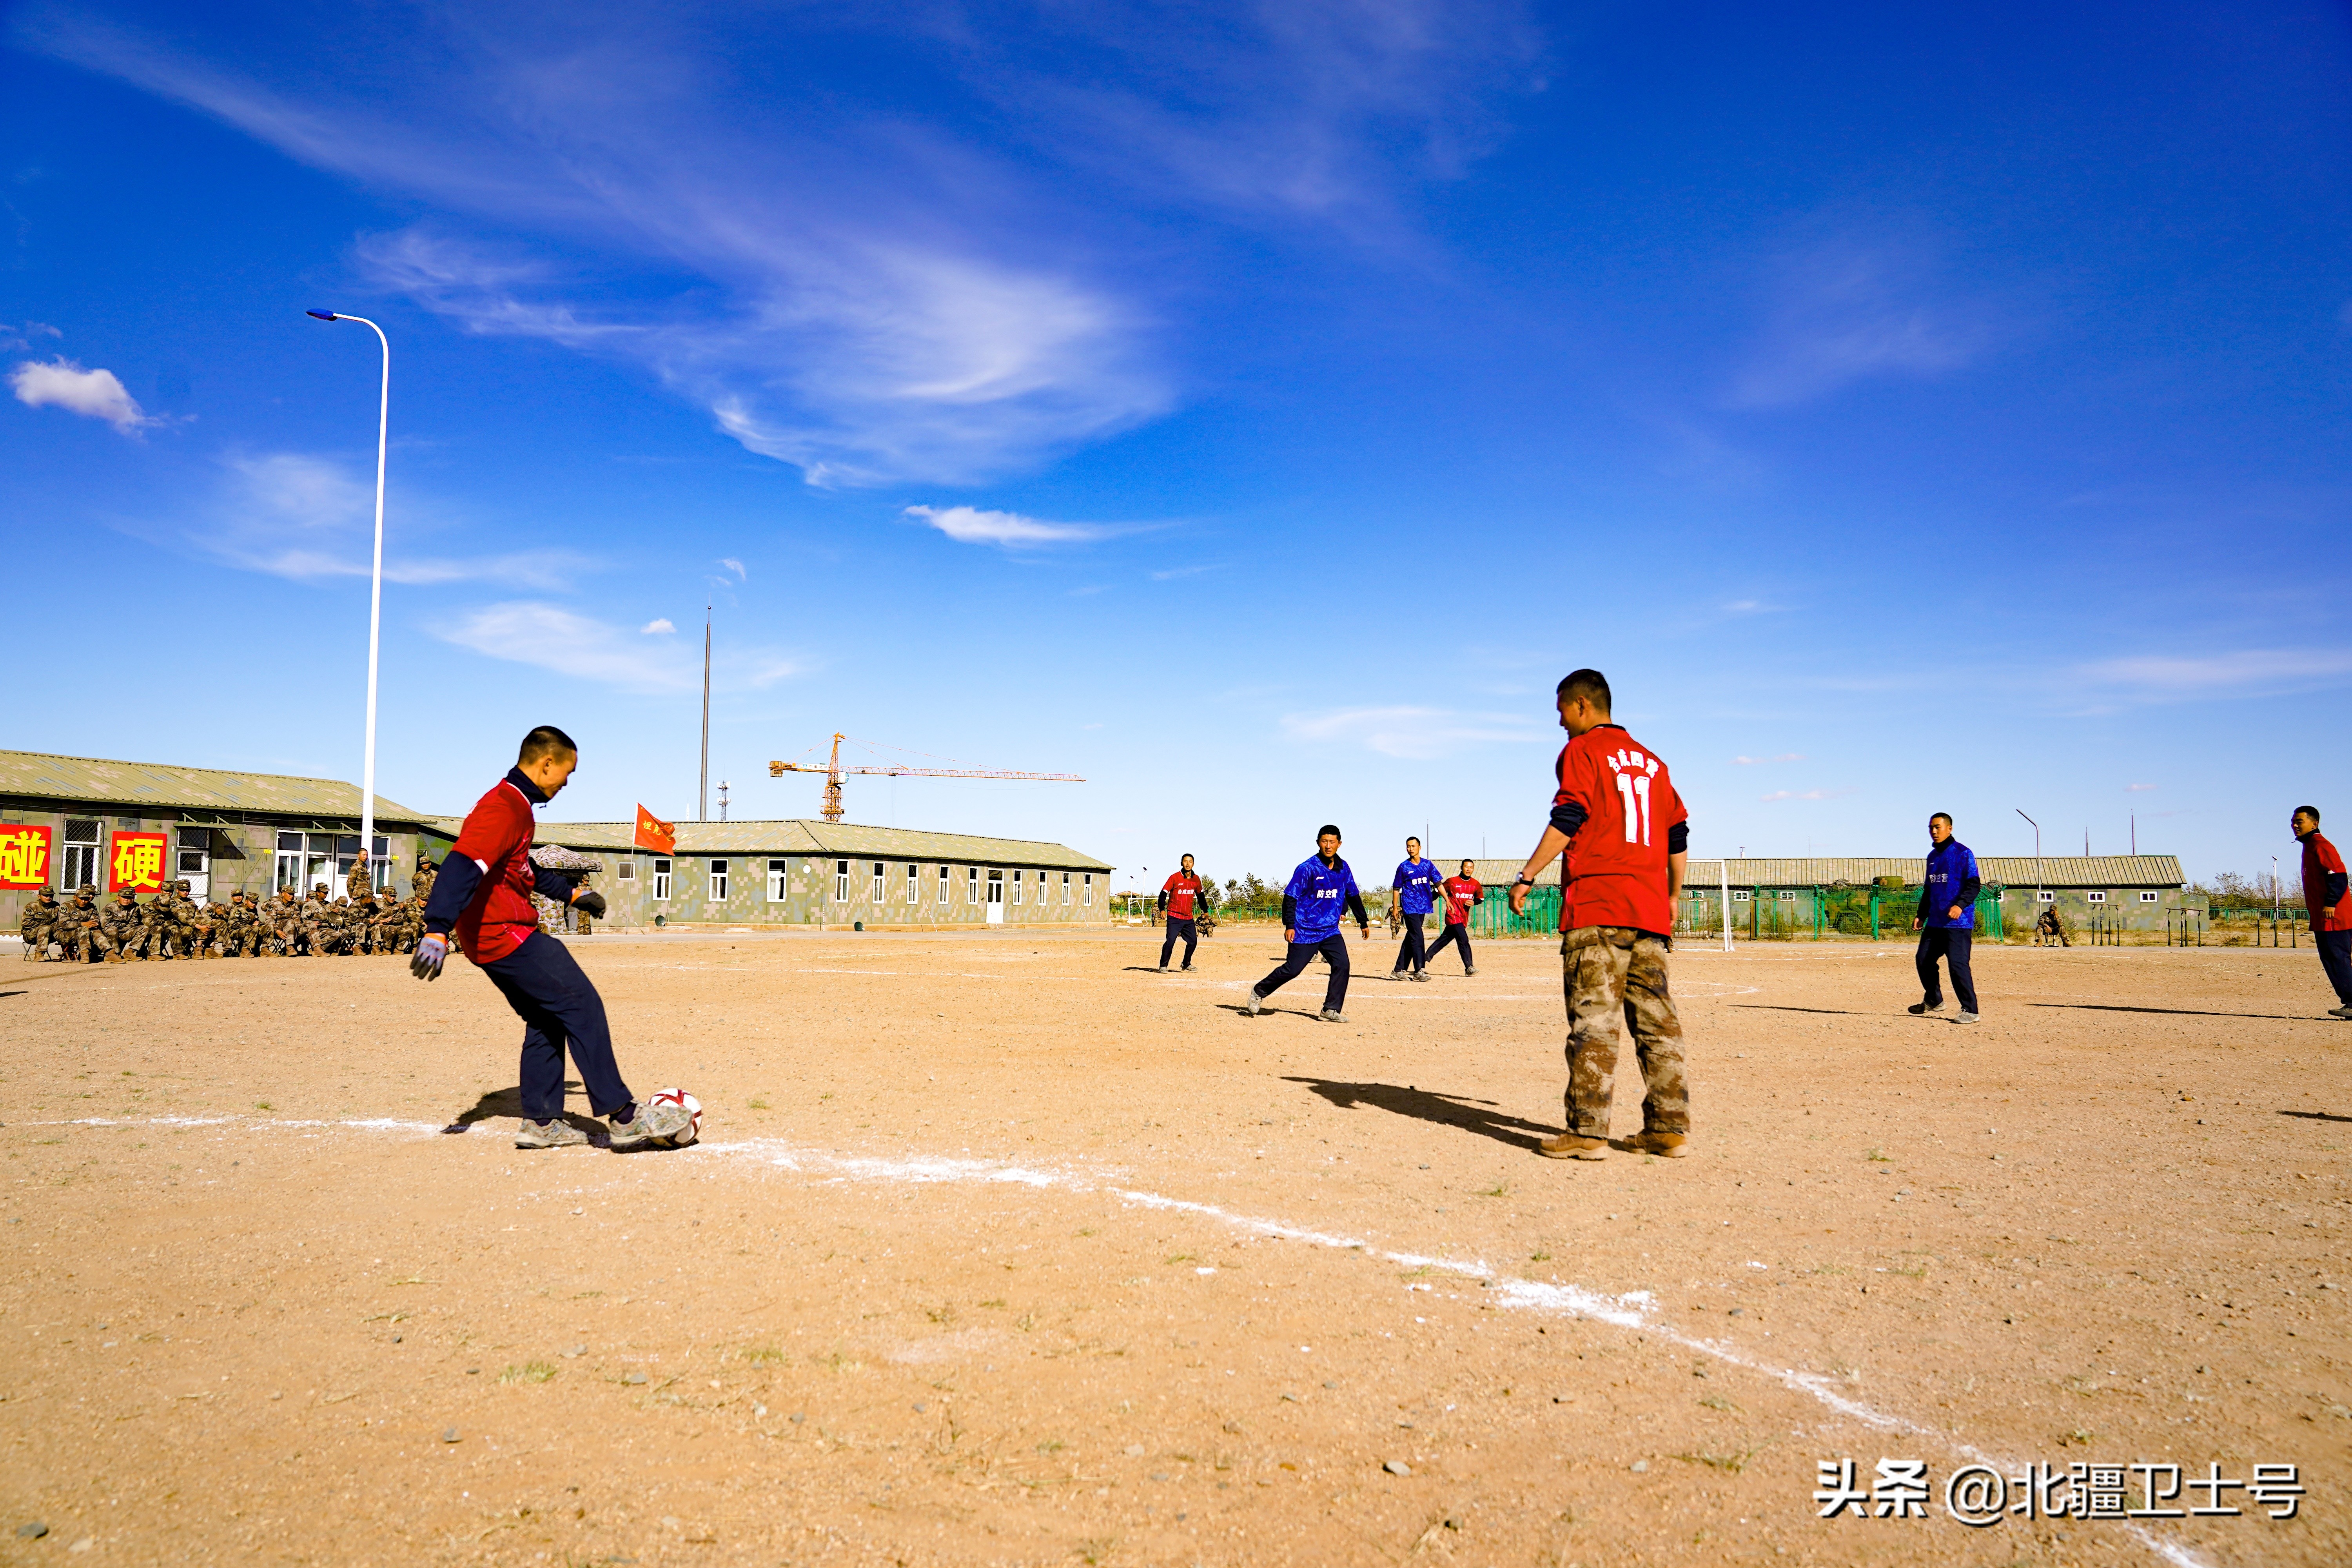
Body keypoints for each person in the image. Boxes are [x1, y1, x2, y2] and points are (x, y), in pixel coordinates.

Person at [414, 725, 692, 1152]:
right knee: (581, 1003)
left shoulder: (516, 806)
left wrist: (574, 894)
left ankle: (542, 1123)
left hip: (494, 935)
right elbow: (463, 864)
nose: (567, 782)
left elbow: (521, 868)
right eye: (567, 772)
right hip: (503, 933)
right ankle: (624, 1115)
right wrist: (437, 926)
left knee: (547, 1017)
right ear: (546, 763)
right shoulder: (502, 807)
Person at [1508, 669, 1691, 1160]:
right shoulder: (1654, 764)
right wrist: (1673, 896)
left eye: (1562, 712)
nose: (1561, 724)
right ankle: (1669, 1127)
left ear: (1583, 705)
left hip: (1599, 905)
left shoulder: (1583, 751)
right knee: (1658, 1023)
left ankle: (1588, 1130)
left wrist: (1527, 875)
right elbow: (1678, 836)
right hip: (1651, 909)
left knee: (1594, 1019)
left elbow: (1570, 816)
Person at [1242, 825, 1370, 1023]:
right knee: (1293, 969)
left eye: (1332, 842)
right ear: (1318, 842)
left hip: (1330, 931)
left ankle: (1330, 1009)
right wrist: (1290, 925)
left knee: (1342, 965)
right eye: (1324, 841)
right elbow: (1290, 897)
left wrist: (1363, 921)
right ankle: (1259, 991)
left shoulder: (1343, 869)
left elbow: (1352, 894)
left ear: (1340, 844)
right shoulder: (1307, 868)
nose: (1328, 846)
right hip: (1304, 930)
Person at [1910, 813, 1980, 1024]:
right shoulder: (1932, 857)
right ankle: (1934, 999)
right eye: (1931, 827)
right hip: (1936, 922)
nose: (1934, 831)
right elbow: (1929, 890)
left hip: (1959, 923)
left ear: (1949, 829)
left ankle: (1971, 1010)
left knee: (1958, 965)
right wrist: (1922, 914)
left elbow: (1974, 885)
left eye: (1938, 827)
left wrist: (1959, 905)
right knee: (1923, 959)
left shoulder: (1962, 853)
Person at [2293, 806, 2352, 1020]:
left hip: (2334, 917)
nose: (2295, 826)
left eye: (2300, 821)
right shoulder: (2309, 847)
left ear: (2314, 824)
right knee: (2333, 959)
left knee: (2338, 959)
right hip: (2323, 917)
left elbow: (2338, 877)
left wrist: (2331, 903)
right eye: (2294, 822)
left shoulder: (2321, 846)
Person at [1389, 838, 1443, 981]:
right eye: (1408, 846)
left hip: (1423, 906)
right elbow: (1396, 888)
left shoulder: (1428, 865)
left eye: (1413, 846)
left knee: (1411, 937)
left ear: (1420, 847)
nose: (1411, 849)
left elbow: (1438, 883)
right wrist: (1395, 908)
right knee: (1418, 936)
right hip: (1410, 906)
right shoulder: (1404, 867)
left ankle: (1398, 970)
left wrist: (1448, 899)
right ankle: (1419, 970)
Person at [1426, 859, 1483, 975]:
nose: (1469, 869)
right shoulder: (1452, 882)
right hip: (1453, 915)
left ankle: (1424, 958)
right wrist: (1425, 902)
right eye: (1466, 867)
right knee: (1464, 940)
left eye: (1471, 867)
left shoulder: (1475, 884)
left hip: (1463, 918)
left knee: (1444, 940)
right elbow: (1437, 892)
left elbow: (1480, 899)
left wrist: (1474, 902)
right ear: (1462, 868)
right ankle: (1469, 967)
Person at [1157, 854, 1206, 972]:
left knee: (1193, 941)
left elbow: (1201, 896)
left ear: (1193, 864)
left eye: (1190, 862)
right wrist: (1162, 909)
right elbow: (1163, 894)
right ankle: (1163, 966)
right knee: (1171, 941)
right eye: (1185, 861)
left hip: (1188, 917)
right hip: (1174, 916)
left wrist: (1205, 910)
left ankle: (1186, 963)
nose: (1188, 864)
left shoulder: (1196, 879)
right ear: (1182, 863)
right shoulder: (1175, 878)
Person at [19, 886, 62, 961]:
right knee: (46, 928)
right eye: (45, 895)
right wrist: (45, 926)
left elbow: (59, 922)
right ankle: (39, 954)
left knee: (64, 929)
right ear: (39, 896)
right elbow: (26, 923)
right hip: (31, 934)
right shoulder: (33, 906)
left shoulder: (56, 906)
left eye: (51, 895)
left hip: (50, 933)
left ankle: (69, 953)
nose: (49, 897)